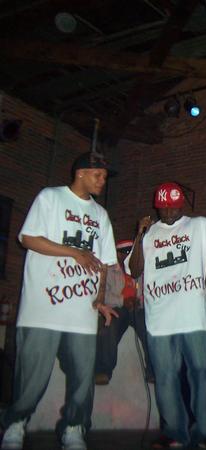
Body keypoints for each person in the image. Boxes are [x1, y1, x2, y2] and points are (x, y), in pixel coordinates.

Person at [0, 152, 118, 450]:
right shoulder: (50, 198)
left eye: (105, 177)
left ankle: (74, 428)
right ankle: (16, 423)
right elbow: (28, 238)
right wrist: (74, 252)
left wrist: (100, 299)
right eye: (98, 175)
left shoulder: (101, 215)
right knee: (31, 376)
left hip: (81, 312)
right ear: (81, 173)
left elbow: (104, 263)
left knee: (82, 378)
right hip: (42, 308)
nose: (102, 181)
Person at [127, 182, 206, 449]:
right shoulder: (149, 233)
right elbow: (134, 270)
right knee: (165, 376)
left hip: (193, 316)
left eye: (173, 207)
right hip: (159, 319)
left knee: (201, 373)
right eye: (164, 207)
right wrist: (140, 235)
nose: (169, 212)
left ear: (181, 205)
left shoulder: (198, 226)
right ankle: (174, 432)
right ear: (157, 207)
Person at [94, 239, 153, 386]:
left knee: (150, 328)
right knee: (108, 328)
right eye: (124, 251)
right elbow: (101, 294)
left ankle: (153, 371)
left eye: (130, 251)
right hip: (117, 307)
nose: (128, 254)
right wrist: (123, 300)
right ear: (117, 254)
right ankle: (103, 370)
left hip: (137, 308)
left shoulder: (140, 268)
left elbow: (150, 290)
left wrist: (138, 300)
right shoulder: (109, 269)